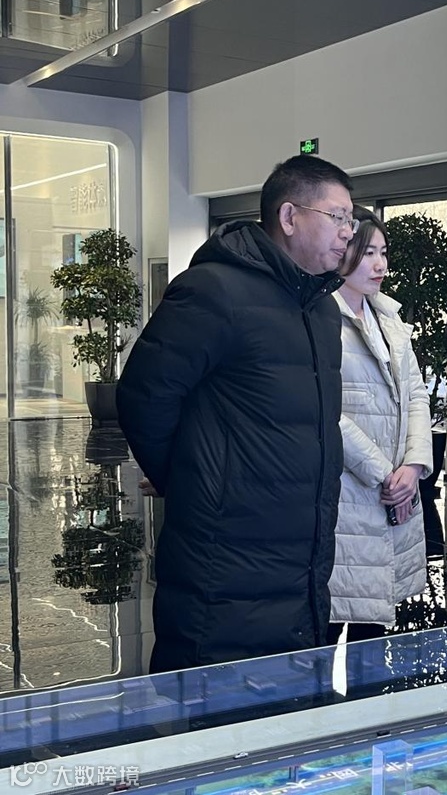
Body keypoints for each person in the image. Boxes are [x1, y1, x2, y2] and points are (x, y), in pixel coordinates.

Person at [117, 154, 356, 673]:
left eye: (351, 221)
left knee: (291, 698)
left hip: (302, 553)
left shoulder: (320, 307)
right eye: (337, 217)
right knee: (215, 699)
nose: (347, 233)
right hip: (223, 556)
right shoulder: (214, 290)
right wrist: (190, 478)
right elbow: (144, 394)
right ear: (289, 217)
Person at [329, 210, 433, 643]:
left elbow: (416, 394)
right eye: (368, 252)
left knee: (372, 632)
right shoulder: (320, 318)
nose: (380, 265)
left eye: (383, 253)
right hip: (347, 493)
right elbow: (324, 411)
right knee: (327, 626)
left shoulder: (389, 318)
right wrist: (384, 473)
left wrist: (414, 466)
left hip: (393, 490)